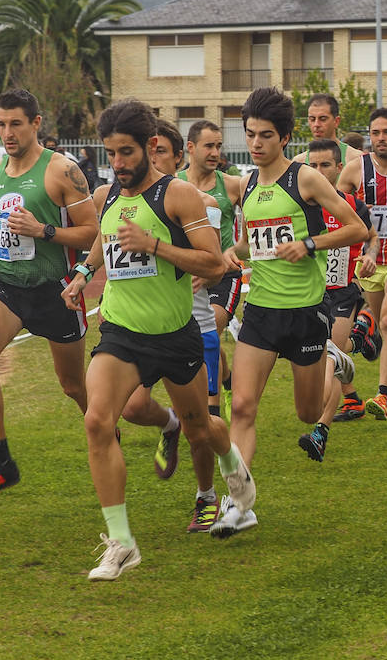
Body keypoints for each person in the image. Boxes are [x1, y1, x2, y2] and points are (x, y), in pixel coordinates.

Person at [60, 102, 251, 580]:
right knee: (97, 421)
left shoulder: (178, 196)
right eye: (111, 154)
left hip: (175, 336)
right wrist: (83, 274)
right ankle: (122, 543)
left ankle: (234, 469)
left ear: (150, 147)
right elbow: (106, 242)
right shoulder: (106, 195)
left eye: (126, 153)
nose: (119, 164)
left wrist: (155, 246)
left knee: (200, 429)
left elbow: (214, 264)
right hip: (122, 334)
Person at [213, 87, 368, 537]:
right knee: (241, 407)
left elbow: (358, 227)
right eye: (250, 135)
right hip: (261, 310)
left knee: (305, 413)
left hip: (304, 312)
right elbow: (251, 241)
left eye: (265, 135)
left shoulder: (305, 179)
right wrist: (229, 255)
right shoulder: (245, 186)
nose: (256, 144)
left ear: (285, 137)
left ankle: (331, 360)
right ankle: (237, 504)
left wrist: (309, 244)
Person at [0, 89, 100, 500]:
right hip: (7, 286)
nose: (7, 132)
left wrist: (45, 231)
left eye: (16, 123)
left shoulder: (62, 171)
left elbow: (93, 231)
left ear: (36, 123)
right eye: (1, 124)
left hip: (55, 292)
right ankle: (2, 462)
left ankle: (105, 432)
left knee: (73, 386)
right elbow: (5, 223)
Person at [123, 119, 238, 533]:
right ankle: (167, 423)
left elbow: (215, 263)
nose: (149, 160)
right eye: (146, 153)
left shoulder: (195, 203)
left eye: (158, 153)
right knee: (134, 407)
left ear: (175, 156)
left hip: (194, 327)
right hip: (140, 331)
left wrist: (205, 270)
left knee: (201, 430)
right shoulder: (124, 201)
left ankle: (207, 494)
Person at [336, 107, 387, 420]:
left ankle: (382, 396)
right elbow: (337, 213)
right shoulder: (355, 170)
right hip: (368, 261)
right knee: (386, 322)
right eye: (376, 133)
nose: (381, 138)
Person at [178, 119, 246, 419]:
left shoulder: (231, 185)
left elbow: (257, 217)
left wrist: (234, 250)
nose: (215, 151)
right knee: (197, 336)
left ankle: (212, 411)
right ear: (190, 147)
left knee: (211, 328)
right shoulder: (174, 185)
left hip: (223, 276)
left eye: (219, 146)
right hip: (189, 275)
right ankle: (226, 378)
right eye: (209, 145)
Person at [304, 138, 370, 434]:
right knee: (326, 354)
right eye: (313, 165)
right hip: (309, 294)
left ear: (338, 167)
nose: (318, 171)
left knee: (330, 351)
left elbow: (371, 236)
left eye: (325, 165)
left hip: (343, 291)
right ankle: (361, 342)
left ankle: (321, 430)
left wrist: (369, 255)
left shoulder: (353, 205)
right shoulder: (301, 205)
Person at [292, 92, 363, 167]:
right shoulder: (298, 163)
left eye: (322, 119)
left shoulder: (357, 160)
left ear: (336, 121)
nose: (316, 124)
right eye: (312, 119)